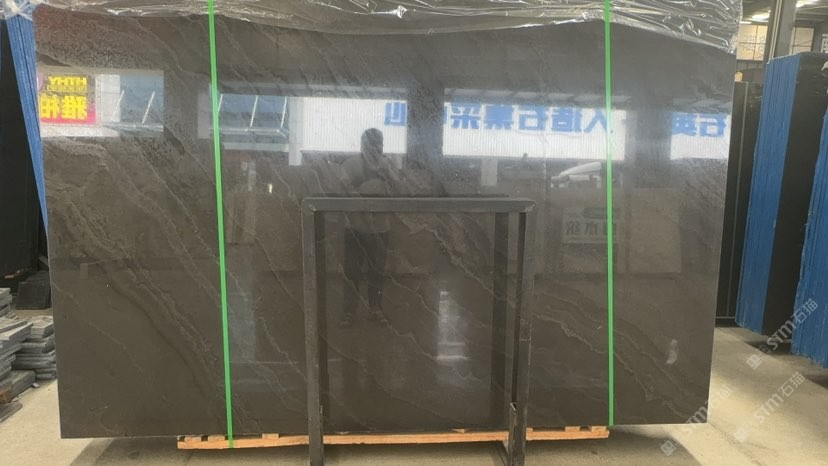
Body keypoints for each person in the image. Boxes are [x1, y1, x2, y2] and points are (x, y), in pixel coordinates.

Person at [340, 128, 395, 328]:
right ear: (362, 145)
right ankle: (349, 312)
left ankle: (375, 309)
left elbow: (400, 193)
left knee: (377, 272)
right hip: (354, 228)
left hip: (380, 229)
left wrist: (389, 176)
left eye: (378, 145)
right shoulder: (350, 165)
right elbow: (344, 193)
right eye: (370, 145)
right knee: (352, 272)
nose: (374, 149)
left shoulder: (388, 166)